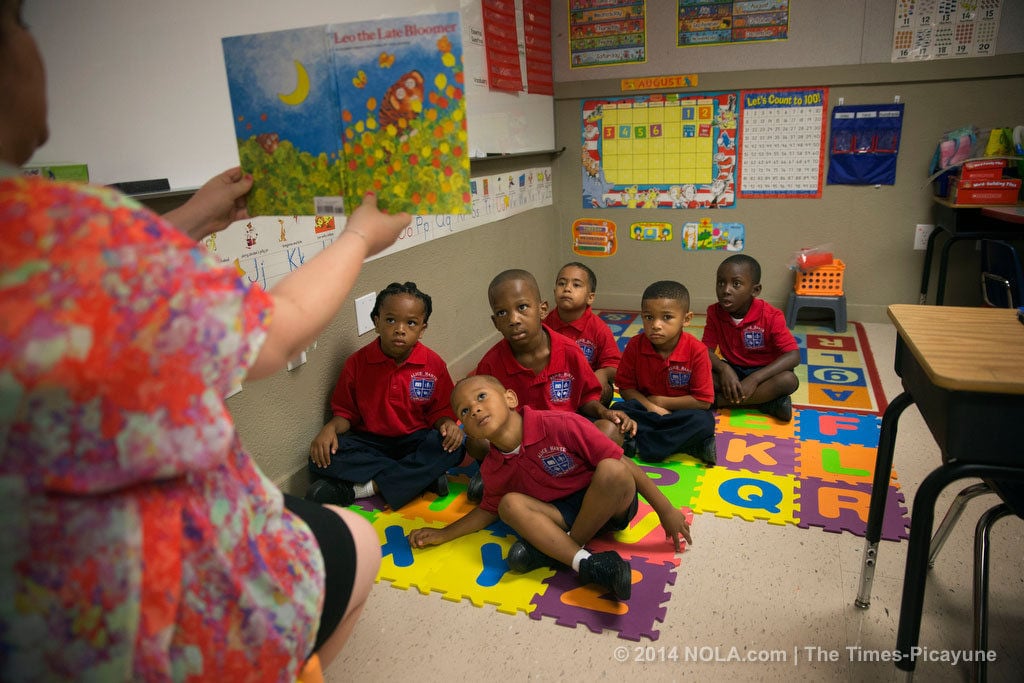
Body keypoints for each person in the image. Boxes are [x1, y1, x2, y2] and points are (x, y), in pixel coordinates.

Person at [0, 2, 410, 677]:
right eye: (23, 22)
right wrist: (361, 235)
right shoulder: (69, 223)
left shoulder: (77, 240)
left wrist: (190, 217)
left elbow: (99, 279)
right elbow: (273, 336)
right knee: (361, 542)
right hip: (149, 608)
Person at [407, 375, 692, 601]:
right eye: (464, 411)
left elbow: (623, 463)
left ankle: (555, 549)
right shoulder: (493, 466)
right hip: (559, 513)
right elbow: (488, 510)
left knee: (612, 468)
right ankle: (585, 563)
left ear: (510, 398)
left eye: (481, 397)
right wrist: (443, 534)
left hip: (607, 502)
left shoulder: (559, 424)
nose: (475, 409)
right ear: (467, 430)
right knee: (509, 505)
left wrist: (665, 509)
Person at [466, 269, 635, 500]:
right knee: (476, 441)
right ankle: (495, 474)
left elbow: (585, 399)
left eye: (522, 307)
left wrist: (605, 411)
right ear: (496, 322)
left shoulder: (569, 351)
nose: (514, 320)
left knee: (609, 430)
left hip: (563, 441)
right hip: (518, 447)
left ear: (542, 309)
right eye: (503, 313)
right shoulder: (491, 365)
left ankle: (540, 483)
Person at [306, 281, 465, 510]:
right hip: (371, 442)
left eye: (411, 323)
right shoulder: (357, 364)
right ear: (376, 323)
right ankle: (420, 477)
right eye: (391, 320)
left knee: (454, 447)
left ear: (422, 330)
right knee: (317, 457)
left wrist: (448, 424)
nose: (400, 329)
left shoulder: (433, 364)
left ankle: (360, 489)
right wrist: (329, 429)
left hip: (414, 440)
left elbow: (440, 412)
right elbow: (345, 414)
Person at [615, 280, 717, 465]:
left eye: (667, 317)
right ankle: (690, 445)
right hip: (644, 409)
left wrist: (661, 403)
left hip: (679, 414)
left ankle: (641, 444)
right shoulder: (634, 345)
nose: (656, 325)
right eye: (648, 317)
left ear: (686, 319)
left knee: (704, 421)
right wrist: (651, 407)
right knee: (617, 411)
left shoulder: (697, 350)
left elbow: (703, 401)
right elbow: (626, 388)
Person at [702, 254, 800, 423]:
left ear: (755, 290)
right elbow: (705, 351)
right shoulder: (714, 312)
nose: (726, 290)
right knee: (694, 373)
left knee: (788, 380)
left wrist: (755, 379)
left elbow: (793, 356)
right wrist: (724, 370)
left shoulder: (771, 316)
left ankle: (718, 401)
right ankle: (767, 404)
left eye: (736, 284)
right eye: (721, 282)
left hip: (764, 372)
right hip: (732, 370)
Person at [543, 261, 621, 406]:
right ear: (554, 292)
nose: (567, 288)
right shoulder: (544, 325)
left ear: (590, 297)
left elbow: (616, 366)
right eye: (561, 283)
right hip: (553, 386)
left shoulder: (599, 329)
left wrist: (603, 374)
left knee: (606, 390)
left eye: (576, 285)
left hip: (586, 388)